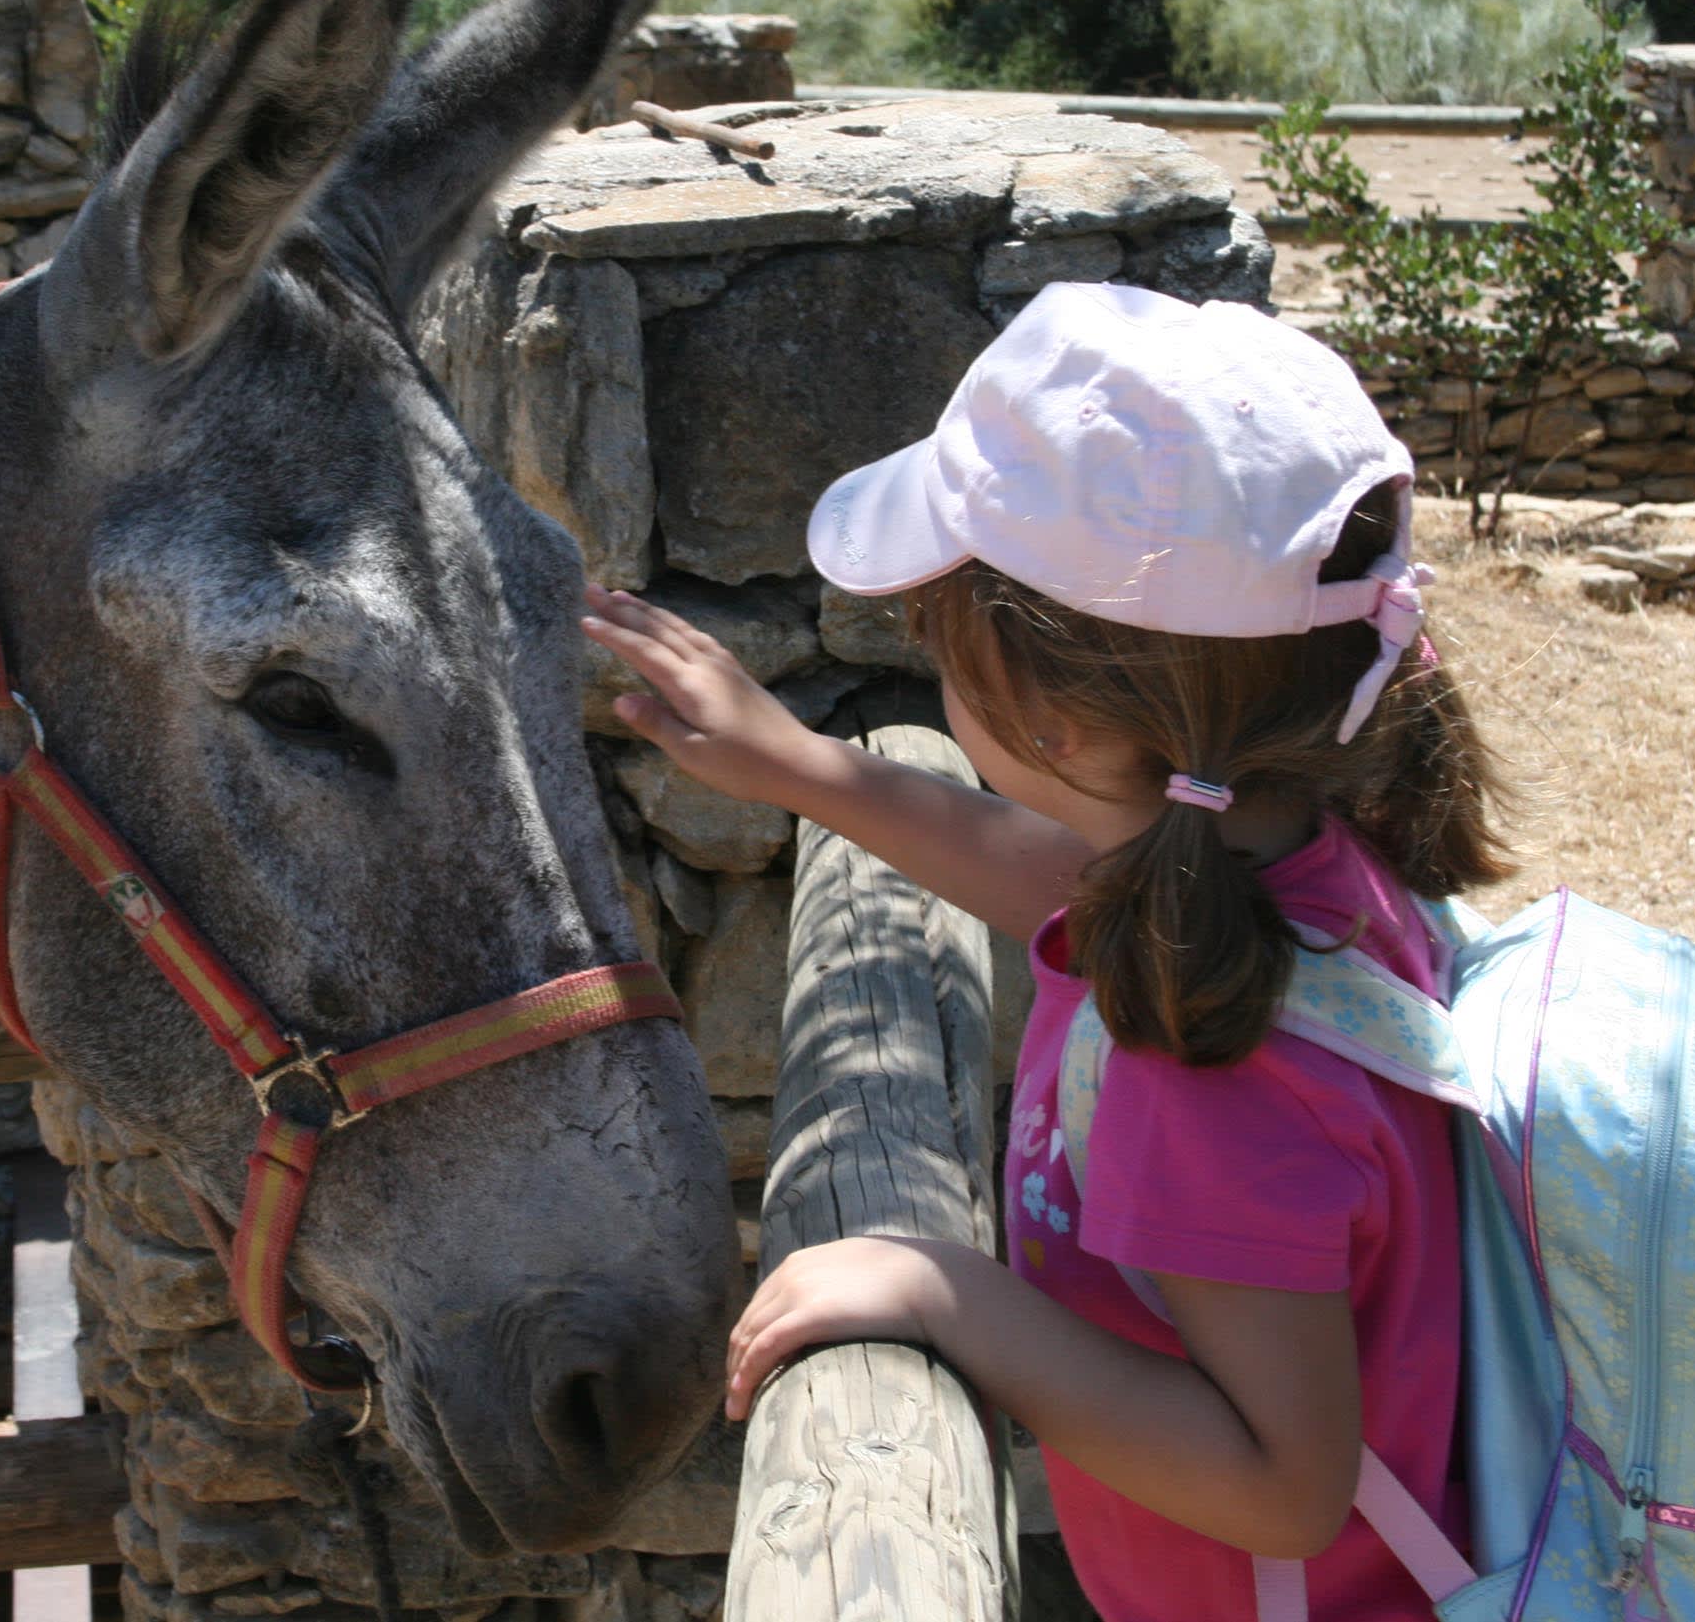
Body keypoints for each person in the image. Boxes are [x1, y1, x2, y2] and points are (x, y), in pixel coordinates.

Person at [580, 281, 1513, 1621]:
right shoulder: (1290, 861)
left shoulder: (1205, 1065)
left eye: (940, 643)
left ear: (1054, 726)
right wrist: (798, 765)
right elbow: (1062, 889)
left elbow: (1283, 1487)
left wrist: (952, 1296)